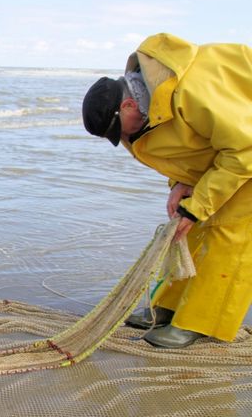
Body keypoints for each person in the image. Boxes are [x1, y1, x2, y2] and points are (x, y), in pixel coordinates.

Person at [82, 33, 252, 350]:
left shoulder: (192, 90)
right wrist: (181, 184)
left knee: (231, 233)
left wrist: (195, 207)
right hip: (237, 152)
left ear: (129, 104)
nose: (124, 139)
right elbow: (196, 146)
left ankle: (202, 322)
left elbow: (244, 149)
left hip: (247, 152)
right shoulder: (152, 104)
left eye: (119, 130)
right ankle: (170, 308)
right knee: (192, 230)